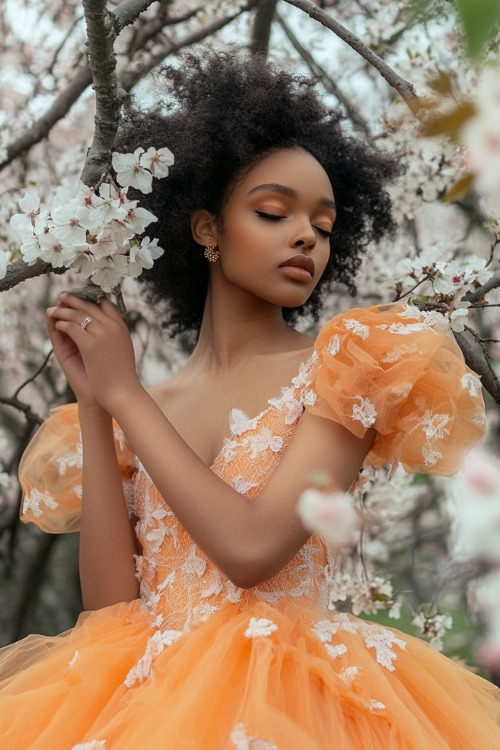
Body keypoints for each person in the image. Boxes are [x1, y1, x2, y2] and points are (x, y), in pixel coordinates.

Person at [1, 52, 499, 749]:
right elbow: (109, 610)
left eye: (324, 227)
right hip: (144, 708)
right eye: (273, 211)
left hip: (297, 705)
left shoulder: (350, 367)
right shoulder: (144, 404)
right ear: (206, 228)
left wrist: (124, 394)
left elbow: (252, 548)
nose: (306, 236)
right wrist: (94, 403)